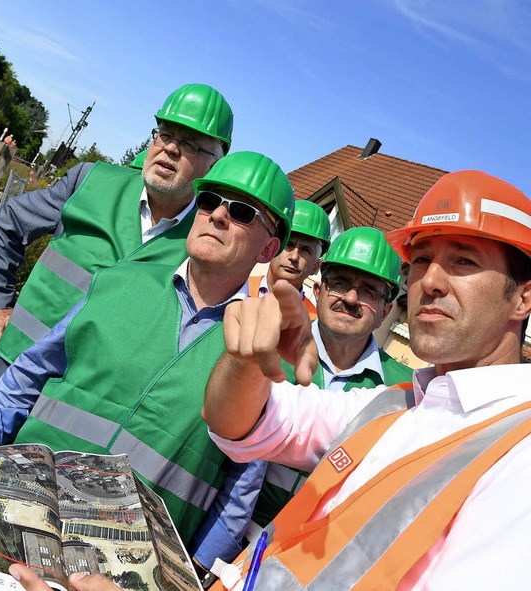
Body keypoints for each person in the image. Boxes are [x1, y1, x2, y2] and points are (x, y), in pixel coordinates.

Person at [0, 151, 294, 582]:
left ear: (269, 247)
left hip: (128, 571)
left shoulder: (258, 350)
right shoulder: (120, 281)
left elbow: (242, 486)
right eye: (210, 200)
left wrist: (193, 572)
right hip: (18, 515)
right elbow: (30, 372)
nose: (216, 215)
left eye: (241, 212)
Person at [202, 169, 531, 590]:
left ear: (522, 297)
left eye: (463, 260)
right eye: (423, 259)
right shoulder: (397, 405)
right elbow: (236, 423)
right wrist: (248, 358)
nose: (428, 281)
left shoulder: (518, 454)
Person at [0, 83, 233, 457]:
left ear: (216, 163)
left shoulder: (201, 242)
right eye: (165, 133)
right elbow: (11, 219)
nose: (171, 148)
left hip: (75, 419)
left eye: (191, 144)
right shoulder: (91, 181)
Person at [249, 225, 412, 531]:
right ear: (318, 290)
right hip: (230, 540)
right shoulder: (267, 347)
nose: (350, 298)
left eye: (368, 291)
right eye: (339, 283)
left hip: (316, 563)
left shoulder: (404, 392)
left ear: (385, 310)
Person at [249, 199, 330, 319]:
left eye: (306, 250)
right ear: (271, 247)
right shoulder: (237, 288)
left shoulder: (311, 322)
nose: (294, 257)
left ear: (315, 267)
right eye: (289, 244)